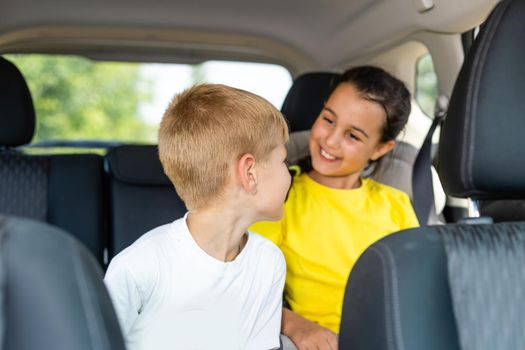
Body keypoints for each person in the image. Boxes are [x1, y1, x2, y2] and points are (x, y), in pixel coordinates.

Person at [104, 84, 291, 350]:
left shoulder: (268, 262)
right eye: (283, 160)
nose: (289, 173)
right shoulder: (140, 266)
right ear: (249, 173)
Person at [251, 66, 419, 350]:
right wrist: (296, 326)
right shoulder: (280, 196)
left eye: (353, 136)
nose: (330, 140)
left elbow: (416, 288)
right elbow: (244, 289)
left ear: (380, 149)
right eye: (328, 119)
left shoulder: (396, 204)